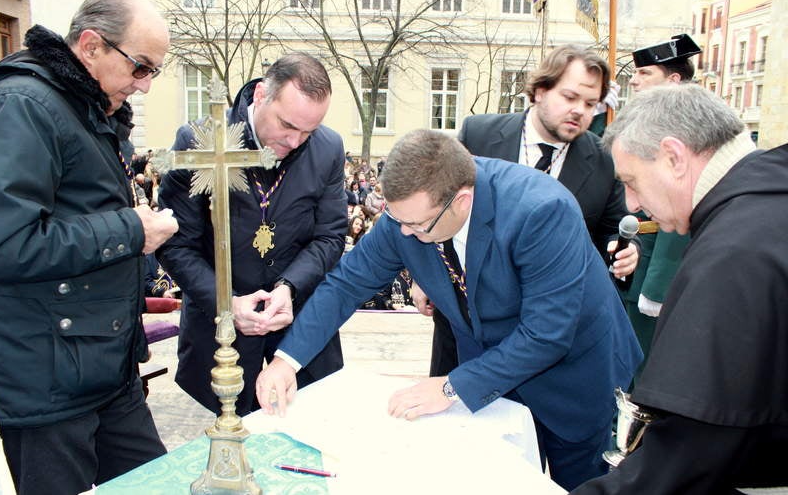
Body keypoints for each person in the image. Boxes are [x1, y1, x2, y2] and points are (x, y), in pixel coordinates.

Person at [256, 130, 642, 490]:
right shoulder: (408, 216)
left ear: (462, 200)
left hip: (571, 380)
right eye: (398, 220)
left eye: (417, 225)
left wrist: (450, 386)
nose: (405, 234)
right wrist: (286, 361)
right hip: (489, 377)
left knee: (578, 486)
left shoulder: (542, 211)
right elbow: (346, 284)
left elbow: (547, 334)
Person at [0, 0, 178, 495]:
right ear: (91, 45)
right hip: (47, 382)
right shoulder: (23, 105)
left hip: (103, 367)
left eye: (153, 72)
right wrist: (132, 231)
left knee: (155, 484)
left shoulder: (87, 107)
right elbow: (4, 245)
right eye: (140, 68)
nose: (145, 86)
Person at [571, 84, 788, 494]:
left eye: (632, 181)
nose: (632, 204)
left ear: (673, 157)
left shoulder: (733, 253)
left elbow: (689, 453)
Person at [421, 45, 639, 377]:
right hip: (467, 323)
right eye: (570, 97)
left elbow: (611, 232)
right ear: (540, 90)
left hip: (547, 335)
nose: (580, 111)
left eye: (591, 104)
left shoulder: (604, 160)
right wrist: (425, 277)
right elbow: (437, 210)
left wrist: (626, 254)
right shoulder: (478, 135)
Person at [157, 52, 346, 417]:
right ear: (261, 95)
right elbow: (176, 245)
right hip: (222, 329)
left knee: (307, 435)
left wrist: (289, 287)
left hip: (296, 321)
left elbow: (330, 236)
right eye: (287, 125)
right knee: (231, 443)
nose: (295, 142)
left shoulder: (328, 149)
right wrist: (225, 303)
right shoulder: (201, 143)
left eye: (308, 131)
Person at [621, 34, 699, 377]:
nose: (634, 80)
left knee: (645, 367)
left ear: (674, 80)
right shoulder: (649, 122)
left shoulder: (686, 131)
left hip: (655, 274)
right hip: (631, 261)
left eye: (645, 73)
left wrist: (657, 289)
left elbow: (679, 214)